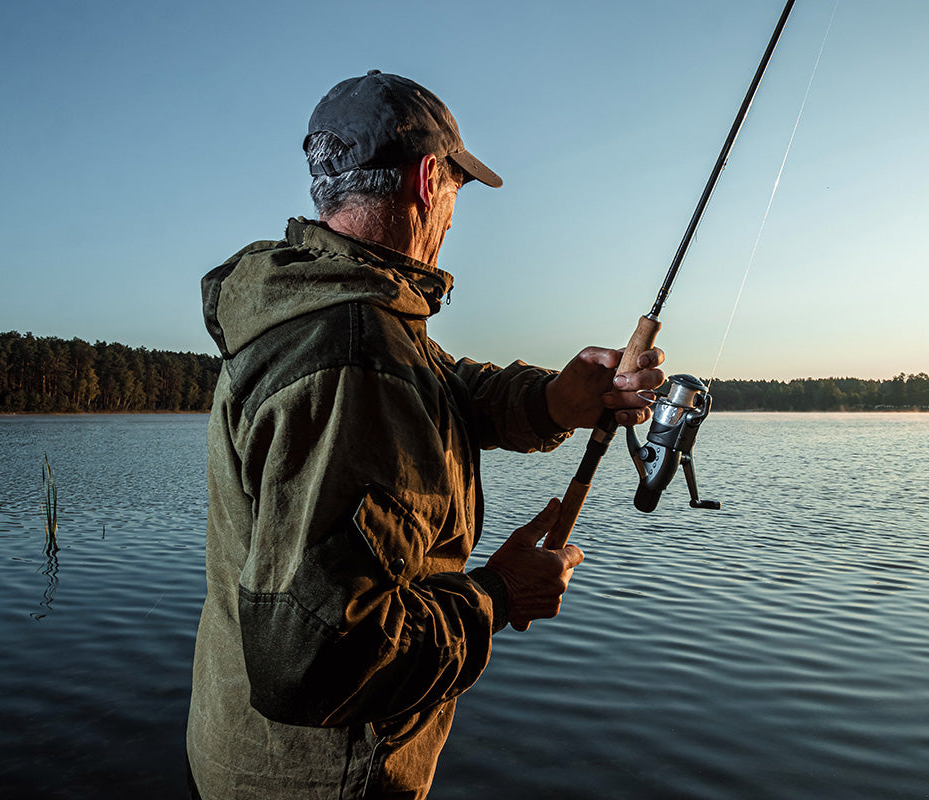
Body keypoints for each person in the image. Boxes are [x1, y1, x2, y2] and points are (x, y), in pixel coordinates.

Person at [185, 70, 665, 799]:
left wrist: (556, 399)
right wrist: (498, 595)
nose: (454, 215)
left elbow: (447, 386)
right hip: (324, 782)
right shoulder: (350, 354)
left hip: (246, 759)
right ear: (424, 178)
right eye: (456, 190)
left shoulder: (335, 307)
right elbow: (314, 661)